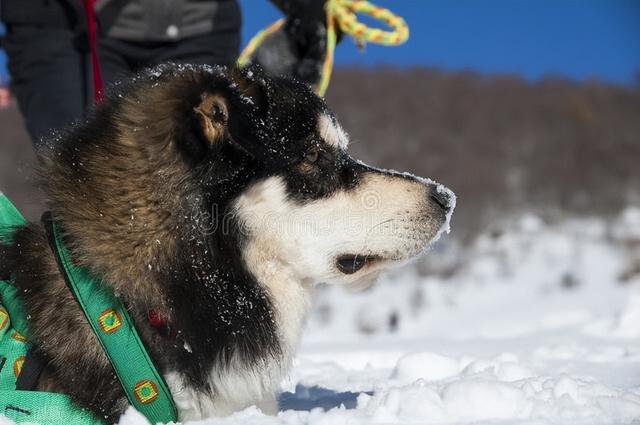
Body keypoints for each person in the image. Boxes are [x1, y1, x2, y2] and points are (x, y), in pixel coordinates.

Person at [0, 0, 329, 148]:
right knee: (81, 171)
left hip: (192, 24)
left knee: (197, 167)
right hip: (59, 24)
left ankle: (256, 93)